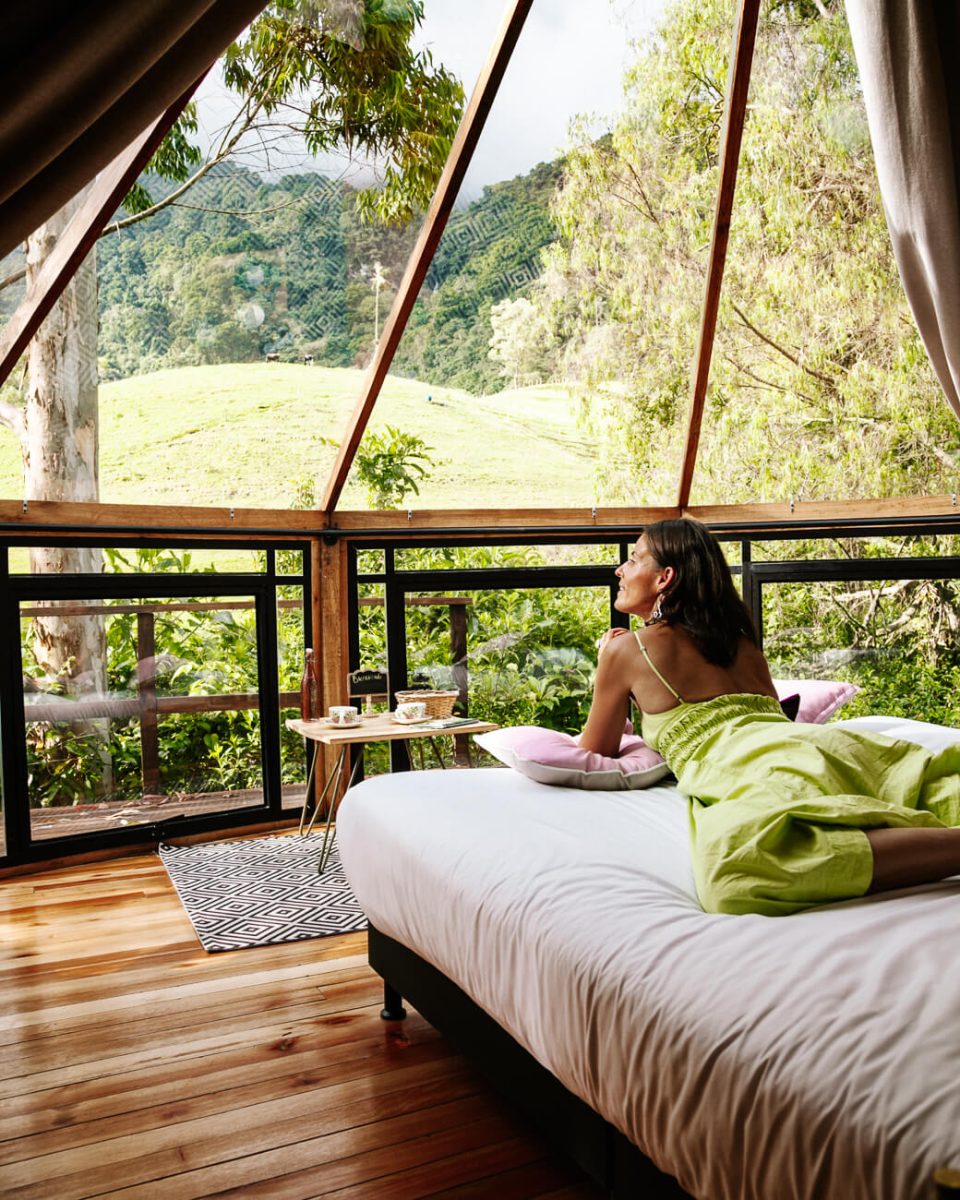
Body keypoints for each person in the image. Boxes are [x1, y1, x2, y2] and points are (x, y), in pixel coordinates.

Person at [579, 518, 960, 916]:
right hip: (818, 746)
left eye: (634, 559)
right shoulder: (741, 643)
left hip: (747, 759)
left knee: (740, 873)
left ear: (665, 578)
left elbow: (594, 748)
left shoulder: (626, 651)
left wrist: (606, 659)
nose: (619, 570)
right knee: (935, 788)